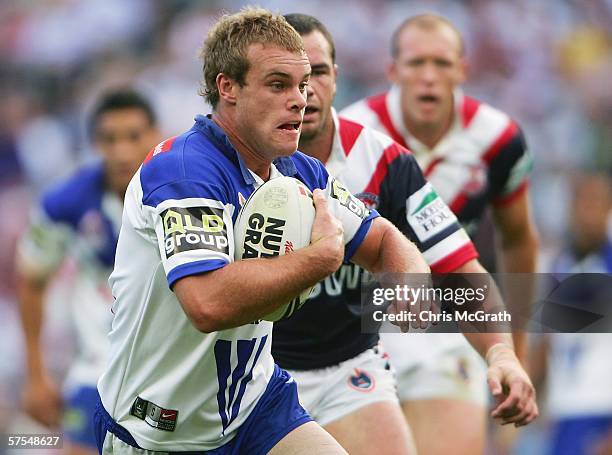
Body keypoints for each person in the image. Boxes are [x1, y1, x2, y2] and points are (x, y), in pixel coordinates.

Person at [93, 8, 438, 454]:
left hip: (257, 406)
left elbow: (384, 239)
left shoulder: (300, 172)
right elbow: (207, 302)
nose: (299, 100)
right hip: (156, 428)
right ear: (228, 88)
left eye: (303, 84)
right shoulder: (183, 173)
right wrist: (318, 260)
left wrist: (411, 282)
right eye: (278, 85)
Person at [273, 13, 538, 455]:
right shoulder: (224, 165)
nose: (305, 92)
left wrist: (505, 352)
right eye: (284, 80)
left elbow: (464, 266)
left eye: (316, 73)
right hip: (259, 369)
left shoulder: (385, 158)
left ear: (336, 76)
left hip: (365, 354)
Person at [16, 89, 161, 455]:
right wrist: (36, 374)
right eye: (109, 139)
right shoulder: (65, 202)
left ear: (155, 135)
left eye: (133, 137)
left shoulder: (183, 192)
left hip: (164, 367)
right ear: (95, 143)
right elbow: (32, 279)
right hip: (97, 368)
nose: (122, 151)